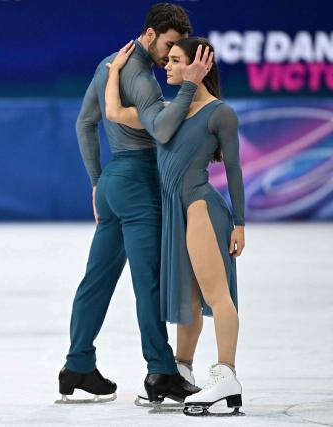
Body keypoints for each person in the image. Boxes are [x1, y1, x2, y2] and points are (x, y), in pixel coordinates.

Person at [57, 3, 211, 405]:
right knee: (150, 282)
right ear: (150, 34)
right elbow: (162, 131)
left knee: (97, 279)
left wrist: (96, 182)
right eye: (169, 45)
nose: (170, 55)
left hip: (112, 183)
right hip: (140, 182)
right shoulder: (144, 79)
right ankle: (161, 371)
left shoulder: (109, 65)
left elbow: (84, 123)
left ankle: (77, 364)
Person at [105, 37, 246, 416]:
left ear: (196, 65)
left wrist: (240, 224)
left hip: (201, 208)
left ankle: (227, 374)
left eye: (175, 60)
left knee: (216, 295)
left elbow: (233, 169)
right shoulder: (167, 110)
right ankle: (181, 369)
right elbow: (116, 113)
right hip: (175, 213)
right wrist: (115, 71)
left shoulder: (220, 113)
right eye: (166, 60)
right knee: (189, 300)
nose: (166, 66)